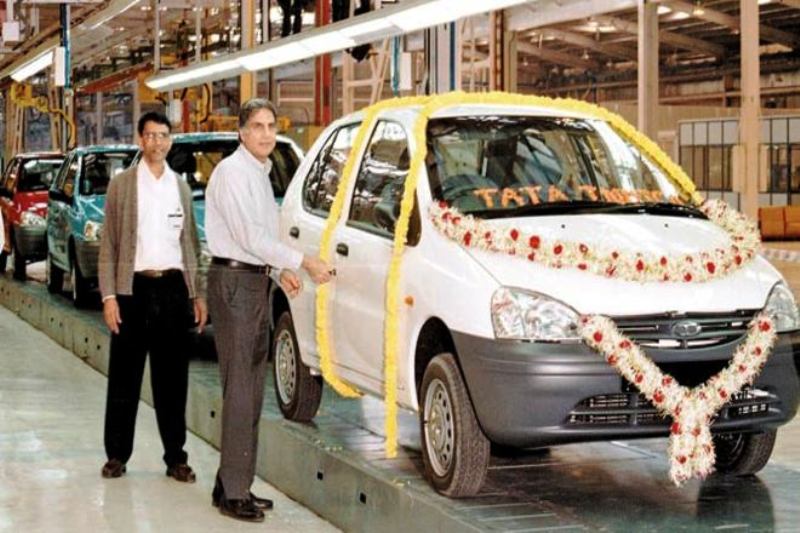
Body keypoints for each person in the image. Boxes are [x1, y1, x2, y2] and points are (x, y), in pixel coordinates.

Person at [205, 98, 332, 522]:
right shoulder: (233, 173)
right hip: (236, 284)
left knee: (252, 388)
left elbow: (260, 237)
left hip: (252, 279)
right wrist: (302, 262)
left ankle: (233, 480)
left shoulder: (259, 173)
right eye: (256, 126)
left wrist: (279, 272)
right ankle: (234, 492)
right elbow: (247, 237)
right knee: (241, 388)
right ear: (241, 132)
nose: (264, 133)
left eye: (270, 125)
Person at [98, 111, 208, 483]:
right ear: (140, 139)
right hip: (134, 290)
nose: (157, 142)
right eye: (150, 135)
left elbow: (190, 242)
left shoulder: (179, 186)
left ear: (170, 140)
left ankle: (176, 457)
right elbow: (109, 245)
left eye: (163, 136)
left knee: (172, 380)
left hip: (174, 289)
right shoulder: (123, 186)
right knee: (124, 378)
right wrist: (109, 297)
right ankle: (116, 454)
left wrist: (197, 293)